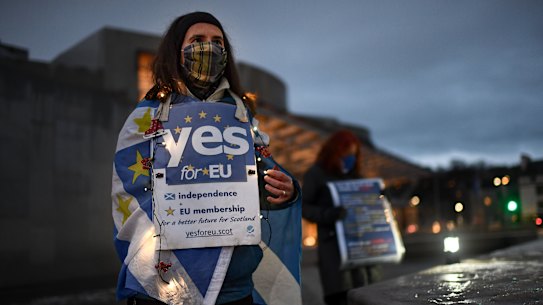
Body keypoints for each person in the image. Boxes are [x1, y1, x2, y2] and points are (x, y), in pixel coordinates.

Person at [112, 12, 301, 305]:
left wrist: (285, 191)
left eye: (217, 41)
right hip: (166, 287)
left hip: (235, 287)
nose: (208, 48)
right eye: (197, 40)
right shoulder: (147, 116)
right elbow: (130, 191)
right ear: (177, 50)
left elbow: (260, 180)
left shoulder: (241, 115)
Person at [302, 130, 380, 305]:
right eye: (345, 154)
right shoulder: (316, 174)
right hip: (334, 254)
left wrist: (379, 198)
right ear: (333, 152)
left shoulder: (356, 176)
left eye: (352, 155)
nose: (349, 159)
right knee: (339, 298)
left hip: (361, 253)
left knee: (365, 296)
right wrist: (329, 215)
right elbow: (304, 207)